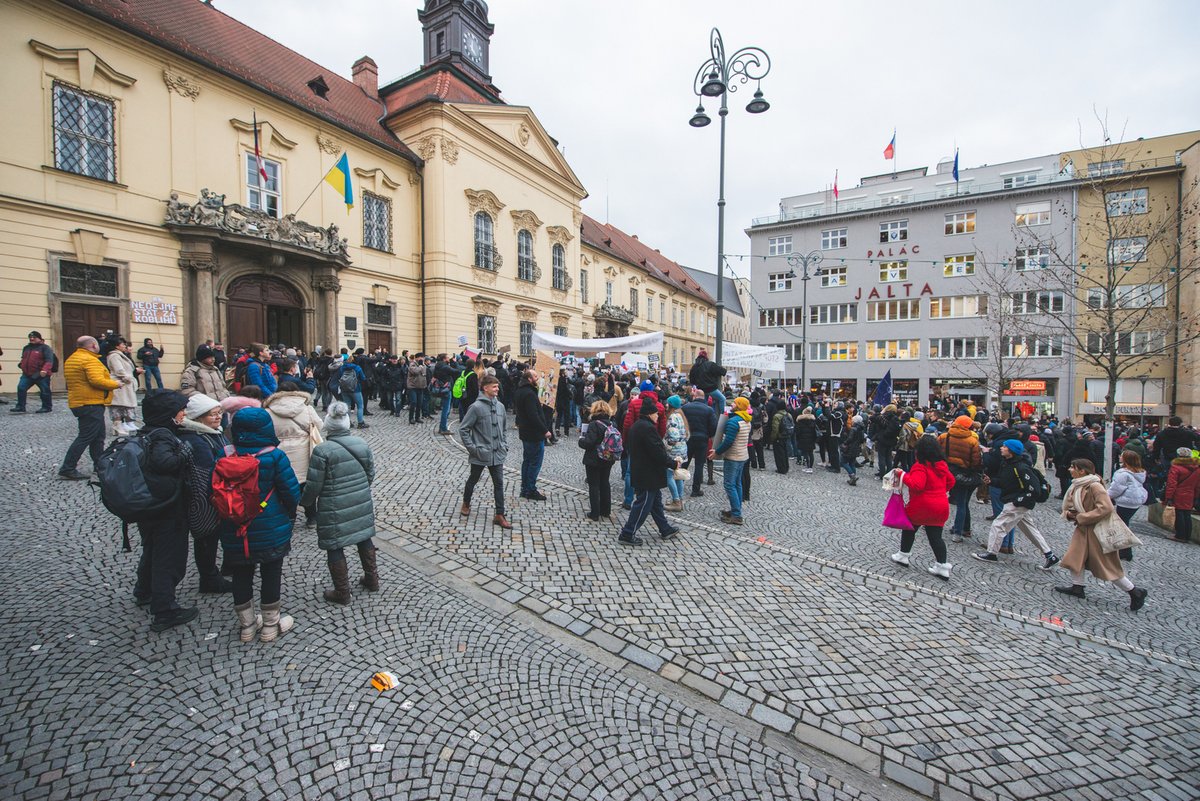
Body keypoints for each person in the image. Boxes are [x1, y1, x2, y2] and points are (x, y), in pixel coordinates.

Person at [224, 408, 302, 643]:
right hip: (270, 524)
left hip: (236, 527)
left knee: (241, 573)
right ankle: (270, 625)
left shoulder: (226, 455)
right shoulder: (274, 456)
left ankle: (247, 626)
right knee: (271, 572)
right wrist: (289, 514)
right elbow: (291, 491)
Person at [132, 390, 198, 631]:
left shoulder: (148, 432)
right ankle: (165, 609)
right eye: (181, 410)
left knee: (151, 548)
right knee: (168, 556)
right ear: (169, 414)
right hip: (167, 507)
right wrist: (185, 450)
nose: (184, 414)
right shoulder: (162, 437)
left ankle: (144, 590)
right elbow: (165, 463)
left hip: (151, 504)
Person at [302, 402, 380, 604]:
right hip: (360, 500)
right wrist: (360, 488)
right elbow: (370, 474)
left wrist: (304, 503)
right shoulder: (362, 444)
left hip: (332, 505)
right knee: (364, 538)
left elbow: (313, 485)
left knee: (335, 546)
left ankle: (342, 592)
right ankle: (372, 580)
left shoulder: (322, 450)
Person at [1055, 459, 1148, 611]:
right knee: (1075, 557)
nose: (1070, 469)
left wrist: (1082, 517)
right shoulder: (1078, 484)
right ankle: (1077, 587)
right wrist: (1070, 514)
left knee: (1106, 566)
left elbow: (1106, 508)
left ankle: (1134, 591)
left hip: (1096, 531)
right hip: (1084, 529)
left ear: (1082, 470)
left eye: (1073, 467)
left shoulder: (1094, 485)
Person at [177, 393, 234, 594]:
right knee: (207, 538)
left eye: (219, 413)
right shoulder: (197, 440)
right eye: (212, 415)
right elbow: (206, 474)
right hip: (207, 498)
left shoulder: (213, 433)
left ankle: (223, 569)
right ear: (198, 417)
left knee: (217, 535)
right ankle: (209, 577)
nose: (218, 418)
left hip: (218, 493)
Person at [972, 439, 1060, 569]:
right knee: (1030, 529)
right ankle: (1050, 555)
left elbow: (1033, 489)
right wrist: (992, 482)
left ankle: (991, 553)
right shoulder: (1008, 464)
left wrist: (1017, 501)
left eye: (1005, 447)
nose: (1001, 448)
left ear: (1011, 451)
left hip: (1017, 503)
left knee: (998, 525)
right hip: (1017, 501)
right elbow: (1005, 482)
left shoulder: (1021, 467)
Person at [889, 436, 955, 580]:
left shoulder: (920, 466)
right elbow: (951, 481)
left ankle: (903, 555)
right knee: (935, 536)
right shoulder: (941, 465)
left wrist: (902, 474)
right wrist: (939, 492)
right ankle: (942, 566)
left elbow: (917, 485)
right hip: (941, 505)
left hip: (922, 505)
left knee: (909, 529)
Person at [618, 400, 681, 546]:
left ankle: (665, 528)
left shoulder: (637, 426)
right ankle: (627, 533)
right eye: (656, 414)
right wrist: (673, 463)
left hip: (642, 470)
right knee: (643, 503)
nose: (658, 416)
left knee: (655, 502)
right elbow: (658, 452)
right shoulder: (647, 428)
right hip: (647, 474)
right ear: (650, 414)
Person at [59, 336, 123, 480]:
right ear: (93, 345)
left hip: (82, 402)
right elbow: (96, 380)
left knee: (98, 437)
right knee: (86, 436)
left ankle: (99, 464)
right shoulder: (89, 360)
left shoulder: (73, 358)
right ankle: (68, 467)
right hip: (90, 403)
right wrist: (115, 384)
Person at [264, 379, 324, 526]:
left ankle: (290, 516)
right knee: (305, 484)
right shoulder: (306, 408)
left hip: (279, 452)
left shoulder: (268, 411)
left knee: (283, 485)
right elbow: (319, 425)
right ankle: (311, 516)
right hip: (303, 450)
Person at [459, 375, 511, 528]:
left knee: (499, 484)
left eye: (497, 386)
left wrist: (504, 444)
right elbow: (463, 429)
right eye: (494, 386)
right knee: (473, 479)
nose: (497, 389)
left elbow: (504, 428)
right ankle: (466, 503)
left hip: (498, 453)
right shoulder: (475, 407)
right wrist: (473, 449)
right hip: (481, 453)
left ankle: (499, 514)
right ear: (485, 388)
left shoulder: (500, 406)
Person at [939, 415, 983, 543]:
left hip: (947, 472)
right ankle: (959, 531)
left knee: (949, 499)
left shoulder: (944, 437)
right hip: (964, 474)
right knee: (963, 503)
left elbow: (936, 452)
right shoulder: (972, 441)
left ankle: (963, 528)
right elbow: (976, 462)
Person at [711, 396, 752, 526]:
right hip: (742, 456)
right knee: (737, 484)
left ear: (739, 406)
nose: (732, 404)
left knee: (729, 485)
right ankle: (736, 510)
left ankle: (736, 515)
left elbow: (728, 441)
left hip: (733, 457)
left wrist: (717, 452)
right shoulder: (747, 419)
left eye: (735, 403)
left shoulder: (734, 422)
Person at [514, 367, 552, 501]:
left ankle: (525, 488)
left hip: (525, 431)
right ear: (529, 379)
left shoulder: (521, 390)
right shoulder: (529, 393)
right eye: (535, 377)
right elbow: (533, 415)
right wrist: (545, 430)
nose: (538, 379)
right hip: (533, 433)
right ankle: (530, 489)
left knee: (528, 461)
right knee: (534, 462)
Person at [579, 399, 616, 521]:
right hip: (607, 457)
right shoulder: (611, 424)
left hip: (594, 458)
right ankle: (606, 510)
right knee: (605, 482)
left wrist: (581, 441)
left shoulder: (594, 424)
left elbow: (589, 442)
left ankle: (595, 513)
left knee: (594, 484)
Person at [1108, 450, 1148, 561]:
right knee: (1124, 525)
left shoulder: (1123, 473)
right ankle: (1125, 551)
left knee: (1121, 526)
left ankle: (1125, 551)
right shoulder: (1139, 472)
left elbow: (1116, 489)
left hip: (1126, 501)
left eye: (1122, 456)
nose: (1120, 456)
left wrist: (1105, 495)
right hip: (1135, 501)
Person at [681, 387, 717, 497]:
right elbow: (713, 426)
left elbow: (681, 422)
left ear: (694, 396)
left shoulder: (686, 407)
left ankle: (679, 486)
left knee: (684, 463)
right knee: (699, 465)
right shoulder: (709, 410)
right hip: (702, 439)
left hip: (688, 438)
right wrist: (708, 435)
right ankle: (695, 490)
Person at [13, 331, 56, 413]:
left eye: (34, 337)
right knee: (21, 388)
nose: (32, 339)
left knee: (44, 391)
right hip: (27, 374)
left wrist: (45, 370)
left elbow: (49, 360)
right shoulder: (26, 348)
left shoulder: (45, 348)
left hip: (41, 374)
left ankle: (47, 407)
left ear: (40, 339)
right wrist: (21, 364)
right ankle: (20, 406)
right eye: (30, 337)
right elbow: (23, 358)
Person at [1164, 446, 1200, 543]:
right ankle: (1187, 535)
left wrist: (1169, 497)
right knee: (1187, 514)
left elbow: (1172, 484)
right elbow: (1197, 485)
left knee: (1179, 514)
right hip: (1190, 494)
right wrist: (1196, 496)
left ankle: (1180, 535)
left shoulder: (1176, 467)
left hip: (1178, 494)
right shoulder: (1197, 468)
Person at [105, 337, 140, 436]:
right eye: (122, 344)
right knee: (117, 406)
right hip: (120, 383)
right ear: (116, 346)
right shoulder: (114, 356)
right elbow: (119, 370)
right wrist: (126, 378)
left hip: (124, 384)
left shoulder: (120, 355)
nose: (125, 346)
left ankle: (122, 425)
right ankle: (117, 426)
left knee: (124, 405)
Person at [663, 395, 690, 512]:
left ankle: (676, 500)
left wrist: (666, 443)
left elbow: (673, 436)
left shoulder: (672, 417)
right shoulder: (680, 415)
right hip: (682, 449)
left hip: (674, 451)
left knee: (669, 476)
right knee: (678, 476)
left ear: (670, 405)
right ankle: (679, 499)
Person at [840, 414, 866, 486]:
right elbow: (862, 440)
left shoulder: (853, 429)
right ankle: (853, 478)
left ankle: (852, 475)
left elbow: (850, 438)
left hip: (850, 447)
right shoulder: (861, 429)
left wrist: (845, 443)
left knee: (843, 462)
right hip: (856, 448)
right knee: (852, 463)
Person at [793, 406, 818, 473]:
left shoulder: (800, 421)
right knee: (811, 453)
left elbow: (797, 431)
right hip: (811, 439)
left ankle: (808, 466)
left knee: (805, 453)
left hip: (802, 439)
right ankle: (810, 467)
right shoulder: (813, 421)